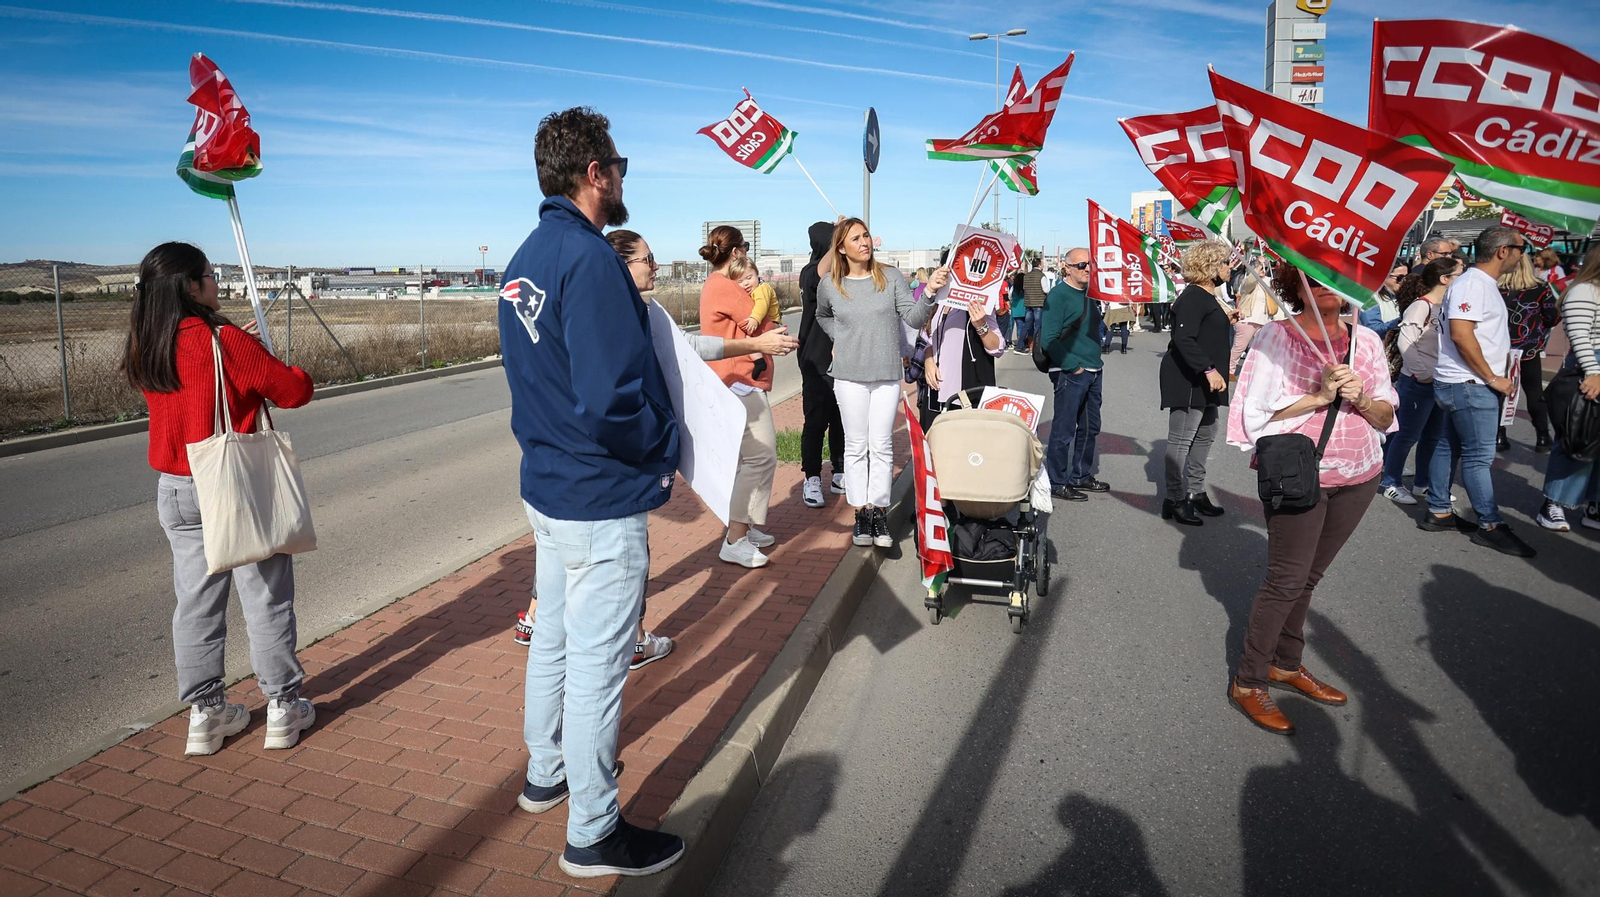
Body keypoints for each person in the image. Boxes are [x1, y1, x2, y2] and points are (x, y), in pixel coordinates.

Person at [500, 106, 685, 878]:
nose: (623, 173)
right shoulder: (589, 259)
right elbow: (611, 396)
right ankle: (593, 830)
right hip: (598, 497)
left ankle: (545, 774)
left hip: (546, 487)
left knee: (552, 642)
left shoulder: (525, 256)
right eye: (619, 163)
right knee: (598, 670)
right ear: (593, 174)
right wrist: (664, 446)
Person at [510, 230, 797, 661]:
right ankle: (632, 641)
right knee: (613, 589)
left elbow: (688, 346)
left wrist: (753, 343)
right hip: (601, 477)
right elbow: (609, 401)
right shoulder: (615, 313)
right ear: (621, 265)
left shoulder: (603, 305)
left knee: (557, 602)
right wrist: (657, 440)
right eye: (648, 259)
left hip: (550, 476)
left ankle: (544, 621)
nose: (656, 265)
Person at [121, 241, 318, 756]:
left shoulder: (149, 341)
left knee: (196, 603)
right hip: (232, 486)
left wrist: (235, 345)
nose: (216, 281)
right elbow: (294, 390)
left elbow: (196, 387)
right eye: (210, 274)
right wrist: (255, 351)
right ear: (191, 286)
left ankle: (206, 714)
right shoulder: (222, 338)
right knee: (266, 595)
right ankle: (282, 706)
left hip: (176, 489)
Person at [1225, 265, 1397, 735]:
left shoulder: (1368, 342)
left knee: (1309, 579)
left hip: (1360, 473)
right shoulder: (1275, 338)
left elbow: (1385, 416)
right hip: (1300, 475)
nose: (1327, 285)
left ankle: (1286, 664)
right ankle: (1249, 680)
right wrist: (1319, 395)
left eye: (1337, 277)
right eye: (1314, 276)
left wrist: (1360, 400)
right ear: (1293, 286)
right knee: (1286, 579)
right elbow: (1253, 416)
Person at [816, 217, 946, 548]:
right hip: (848, 377)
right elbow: (822, 315)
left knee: (882, 445)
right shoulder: (831, 285)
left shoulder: (889, 277)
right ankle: (861, 514)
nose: (864, 242)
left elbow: (914, 318)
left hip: (887, 375)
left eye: (867, 236)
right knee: (856, 446)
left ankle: (879, 513)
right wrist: (839, 337)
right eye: (856, 238)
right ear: (841, 249)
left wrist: (930, 291)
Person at [1422, 226, 1537, 558]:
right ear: (1503, 251)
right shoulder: (1473, 284)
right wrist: (1492, 378)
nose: (1523, 254)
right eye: (1521, 247)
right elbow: (1461, 334)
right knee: (1478, 457)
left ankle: (1439, 510)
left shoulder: (1476, 284)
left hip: (1460, 382)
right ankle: (1489, 524)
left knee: (1448, 447)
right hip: (1469, 384)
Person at [701, 234, 780, 569]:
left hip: (735, 381)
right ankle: (735, 538)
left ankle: (744, 529)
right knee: (761, 457)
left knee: (746, 460)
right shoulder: (726, 287)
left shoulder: (715, 284)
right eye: (745, 251)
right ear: (736, 252)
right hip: (740, 383)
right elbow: (761, 322)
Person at [1160, 241, 1235, 525]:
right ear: (1210, 266)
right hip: (1189, 377)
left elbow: (1203, 328)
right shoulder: (1193, 296)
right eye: (1225, 263)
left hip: (1205, 378)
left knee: (1206, 432)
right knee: (1181, 439)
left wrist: (1226, 318)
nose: (1229, 268)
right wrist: (1208, 369)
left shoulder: (1208, 296)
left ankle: (1195, 492)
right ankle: (1175, 499)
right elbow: (1183, 338)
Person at [1378, 258, 1459, 507]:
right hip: (1417, 382)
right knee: (1406, 435)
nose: (1463, 279)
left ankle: (1422, 482)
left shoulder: (1450, 306)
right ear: (1444, 279)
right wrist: (1422, 373)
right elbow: (1406, 344)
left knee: (1433, 436)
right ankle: (1390, 481)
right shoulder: (1420, 307)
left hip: (1440, 382)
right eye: (1458, 274)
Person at [1535, 245, 1600, 532]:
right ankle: (1554, 503)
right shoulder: (1584, 290)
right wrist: (1594, 372)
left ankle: (1593, 505)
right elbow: (1579, 335)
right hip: (1589, 368)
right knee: (1578, 436)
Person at [1039, 248, 1108, 501]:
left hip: (1094, 368)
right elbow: (1048, 339)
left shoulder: (1091, 294)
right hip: (1071, 371)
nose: (1087, 268)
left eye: (1090, 264)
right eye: (1081, 265)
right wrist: (1072, 365)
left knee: (1091, 427)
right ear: (1066, 268)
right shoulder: (1058, 296)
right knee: (1064, 428)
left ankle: (1080, 474)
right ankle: (1057, 480)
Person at [798, 221, 847, 510]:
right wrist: (838, 238)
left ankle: (839, 471)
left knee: (841, 419)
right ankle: (812, 477)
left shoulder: (843, 276)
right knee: (816, 422)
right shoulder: (810, 273)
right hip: (815, 360)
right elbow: (821, 272)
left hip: (843, 360)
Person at [1499, 250, 1562, 453]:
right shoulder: (1540, 288)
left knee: (1500, 392)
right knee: (1534, 392)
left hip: (1499, 349)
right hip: (1528, 348)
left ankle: (1499, 436)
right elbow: (1553, 316)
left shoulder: (1495, 288)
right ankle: (1542, 437)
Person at [922, 295, 1005, 427]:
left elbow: (998, 348)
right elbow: (929, 337)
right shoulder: (939, 299)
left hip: (966, 394)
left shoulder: (978, 302)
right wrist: (928, 360)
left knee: (965, 443)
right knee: (935, 442)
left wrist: (981, 325)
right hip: (935, 391)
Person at [1229, 258, 1278, 377]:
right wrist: (1258, 265)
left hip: (1264, 321)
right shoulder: (1247, 281)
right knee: (1239, 348)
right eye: (1260, 268)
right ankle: (1229, 371)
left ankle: (1258, 372)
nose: (1263, 270)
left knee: (1264, 349)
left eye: (1264, 268)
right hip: (1248, 320)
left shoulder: (1269, 281)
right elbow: (1251, 281)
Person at [1359, 262, 1407, 337]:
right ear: (1385, 276)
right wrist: (1402, 320)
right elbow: (1373, 329)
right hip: (1380, 346)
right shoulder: (1369, 298)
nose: (1404, 281)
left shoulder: (1405, 296)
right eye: (1400, 277)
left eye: (1407, 277)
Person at [1008, 271, 1030, 353]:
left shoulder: (1013, 288)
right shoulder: (1026, 288)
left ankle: (1020, 342)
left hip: (1016, 309)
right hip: (1025, 308)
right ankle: (1025, 342)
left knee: (1019, 327)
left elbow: (1010, 297)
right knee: (1026, 327)